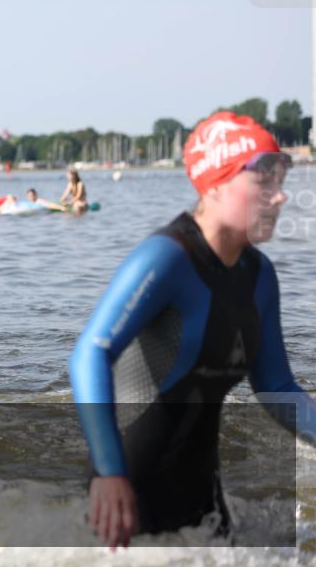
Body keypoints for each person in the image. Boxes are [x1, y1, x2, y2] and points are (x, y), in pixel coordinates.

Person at [69, 111, 316, 550]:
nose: (279, 198)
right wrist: (110, 474)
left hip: (203, 507)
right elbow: (91, 352)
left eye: (281, 181)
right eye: (264, 181)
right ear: (216, 183)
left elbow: (278, 386)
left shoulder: (259, 277)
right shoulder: (167, 259)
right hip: (123, 504)